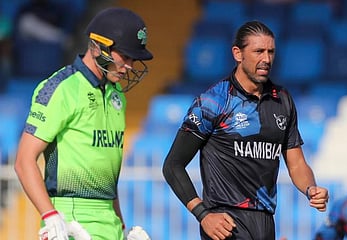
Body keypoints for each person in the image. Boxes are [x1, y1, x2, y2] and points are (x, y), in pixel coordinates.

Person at [162, 20, 329, 240]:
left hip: (265, 223)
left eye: (271, 52)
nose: (266, 59)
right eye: (258, 51)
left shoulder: (283, 100)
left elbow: (296, 163)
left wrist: (311, 189)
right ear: (237, 54)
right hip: (225, 224)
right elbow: (173, 165)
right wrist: (202, 214)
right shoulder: (214, 101)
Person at [14, 7, 153, 240]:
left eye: (133, 59)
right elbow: (23, 161)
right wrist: (50, 215)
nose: (129, 65)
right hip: (71, 220)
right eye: (124, 56)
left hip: (109, 220)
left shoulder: (117, 94)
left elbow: (106, 169)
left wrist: (120, 226)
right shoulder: (62, 88)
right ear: (98, 47)